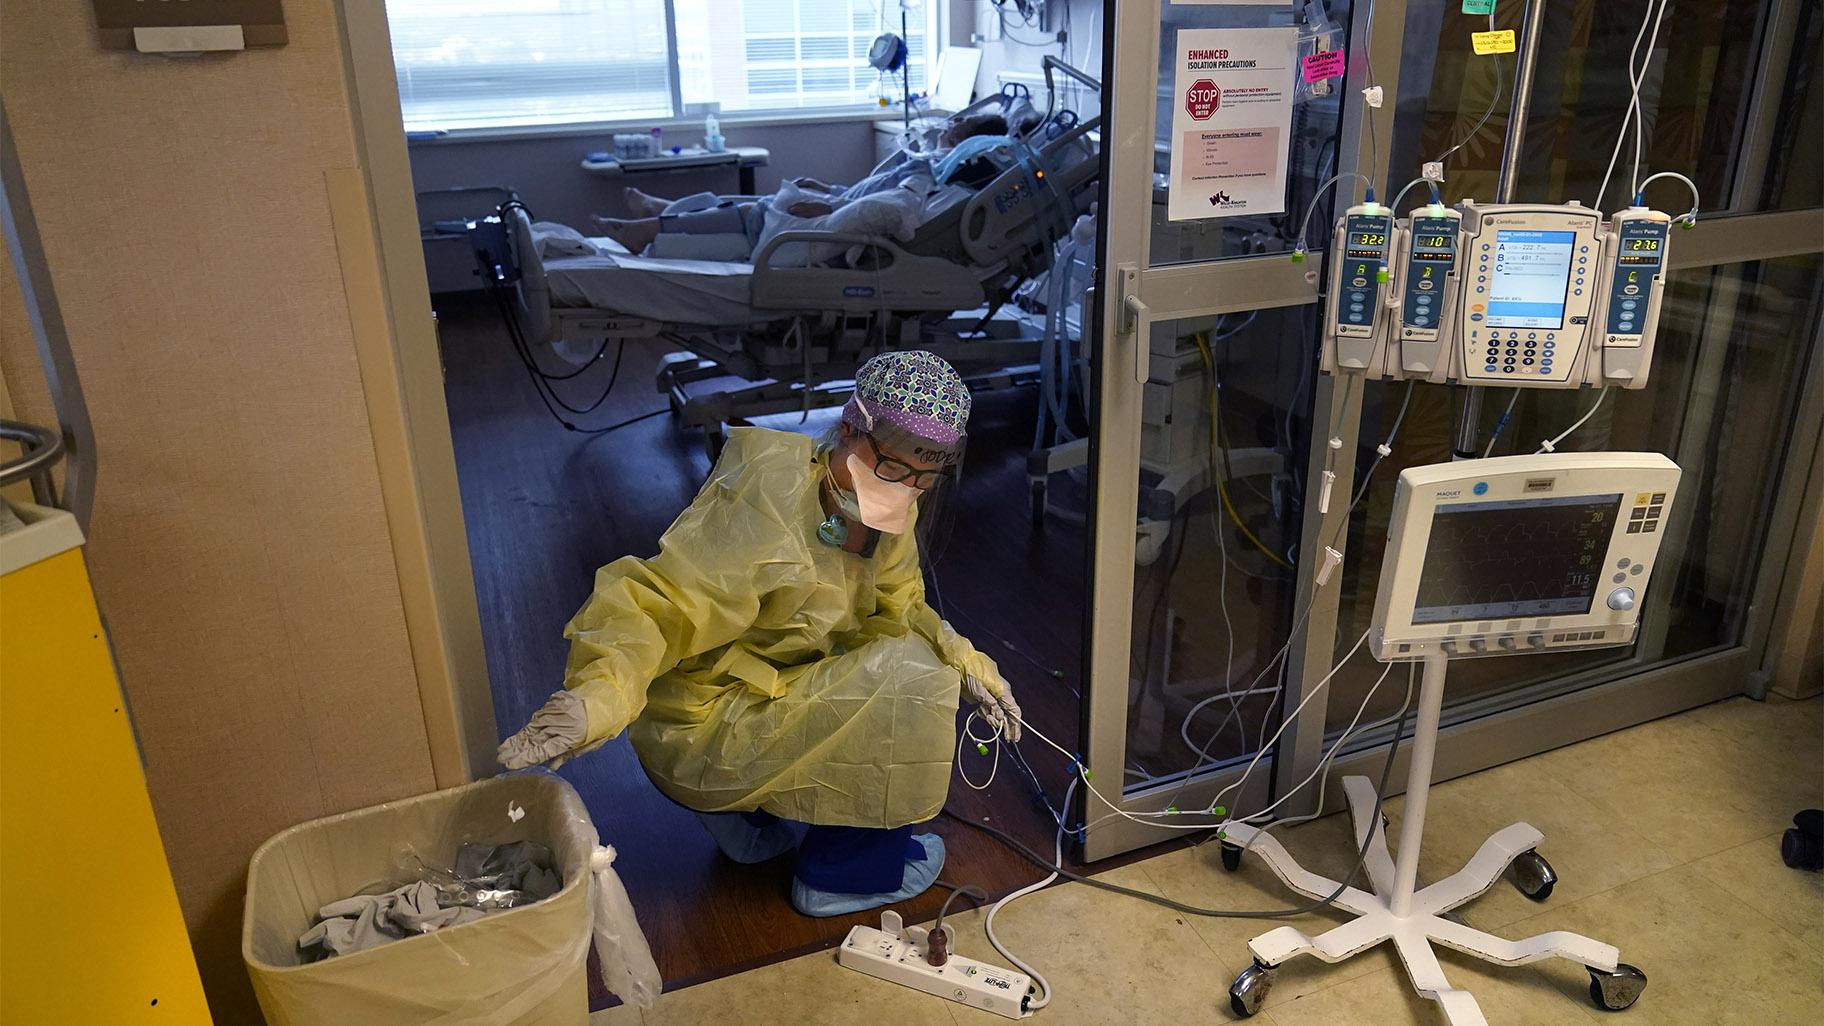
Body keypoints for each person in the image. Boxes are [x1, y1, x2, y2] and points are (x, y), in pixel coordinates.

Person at [498, 351, 1023, 917]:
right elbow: (659, 607)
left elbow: (897, 609)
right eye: (896, 469)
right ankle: (845, 874)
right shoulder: (766, 504)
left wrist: (964, 657)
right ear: (849, 429)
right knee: (912, 686)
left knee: (912, 656)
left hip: (750, 693)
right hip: (697, 725)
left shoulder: (883, 499)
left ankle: (746, 820)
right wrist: (596, 697)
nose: (907, 490)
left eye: (927, 477)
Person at [591, 111, 1025, 256]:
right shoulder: (927, 162)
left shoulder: (932, 175)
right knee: (754, 203)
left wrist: (833, 209)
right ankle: (661, 212)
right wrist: (833, 191)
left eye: (961, 124)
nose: (951, 124)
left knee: (752, 212)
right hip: (838, 201)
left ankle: (649, 228)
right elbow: (871, 191)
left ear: (972, 143)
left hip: (842, 228)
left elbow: (897, 207)